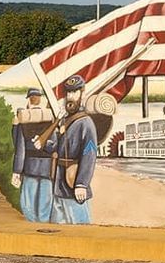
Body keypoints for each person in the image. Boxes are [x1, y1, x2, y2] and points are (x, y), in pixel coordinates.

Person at [41, 75, 98, 224]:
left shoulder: (86, 123)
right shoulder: (64, 120)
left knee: (80, 224)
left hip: (73, 182)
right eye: (68, 93)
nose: (70, 97)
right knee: (57, 225)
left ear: (82, 94)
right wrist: (45, 145)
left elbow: (89, 154)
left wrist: (81, 184)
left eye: (74, 92)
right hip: (58, 183)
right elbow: (57, 148)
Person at [9, 91, 56, 221]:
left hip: (30, 167)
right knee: (45, 201)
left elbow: (19, 148)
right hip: (46, 168)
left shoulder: (23, 120)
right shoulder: (50, 118)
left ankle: (33, 223)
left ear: (29, 100)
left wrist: (17, 171)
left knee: (28, 201)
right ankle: (43, 223)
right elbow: (54, 146)